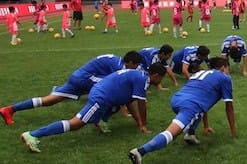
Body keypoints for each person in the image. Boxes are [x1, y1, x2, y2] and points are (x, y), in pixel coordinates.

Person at [19, 64, 167, 153]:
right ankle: (33, 135)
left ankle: (101, 121)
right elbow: (141, 105)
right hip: (101, 97)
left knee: (119, 102)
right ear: (155, 75)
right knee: (76, 124)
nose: (160, 81)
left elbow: (129, 101)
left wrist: (139, 124)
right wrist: (144, 125)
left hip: (105, 94)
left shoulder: (140, 76)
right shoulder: (141, 80)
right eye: (161, 78)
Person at [128, 58, 235, 164]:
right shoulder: (225, 78)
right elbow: (229, 107)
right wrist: (233, 132)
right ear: (222, 68)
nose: (228, 72)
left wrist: (206, 126)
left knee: (197, 112)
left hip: (177, 99)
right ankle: (140, 151)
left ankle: (190, 135)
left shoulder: (202, 72)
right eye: (227, 69)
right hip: (190, 104)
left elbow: (203, 101)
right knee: (171, 134)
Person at [0, 52, 143, 126]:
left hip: (78, 76)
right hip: (85, 79)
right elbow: (119, 92)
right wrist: (124, 111)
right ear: (129, 62)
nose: (136, 69)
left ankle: (10, 109)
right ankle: (99, 121)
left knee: (50, 100)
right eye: (135, 65)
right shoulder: (119, 67)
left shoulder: (117, 60)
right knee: (111, 92)